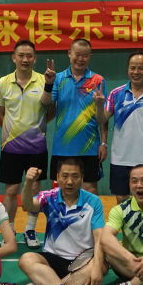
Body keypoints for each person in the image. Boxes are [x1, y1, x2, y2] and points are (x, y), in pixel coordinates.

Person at [17, 158, 106, 285]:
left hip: (83, 261)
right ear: (57, 177)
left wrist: (97, 267)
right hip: (53, 258)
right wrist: (28, 182)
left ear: (82, 178)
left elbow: (99, 238)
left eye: (75, 176)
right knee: (26, 259)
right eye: (65, 176)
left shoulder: (93, 202)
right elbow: (27, 206)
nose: (69, 182)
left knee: (103, 264)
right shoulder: (48, 197)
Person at [0, 40, 53, 249]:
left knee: (35, 189)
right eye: (21, 55)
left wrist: (37, 128)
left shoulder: (44, 80)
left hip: (36, 147)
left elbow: (51, 111)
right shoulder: (3, 83)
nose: (25, 59)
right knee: (11, 191)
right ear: (14, 57)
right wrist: (11, 133)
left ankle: (30, 229)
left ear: (34, 58)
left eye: (29, 56)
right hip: (11, 147)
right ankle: (9, 230)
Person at [100, 51, 143, 203]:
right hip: (120, 159)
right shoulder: (116, 94)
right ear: (128, 69)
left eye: (140, 68)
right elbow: (102, 119)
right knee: (122, 200)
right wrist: (99, 105)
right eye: (132, 68)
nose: (136, 72)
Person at [40, 38, 107, 195]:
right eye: (77, 54)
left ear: (90, 57)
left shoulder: (98, 80)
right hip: (62, 146)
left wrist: (104, 143)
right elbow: (45, 103)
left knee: (90, 189)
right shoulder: (58, 78)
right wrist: (48, 84)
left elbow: (102, 120)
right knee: (59, 191)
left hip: (89, 147)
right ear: (69, 53)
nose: (80, 59)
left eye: (85, 55)